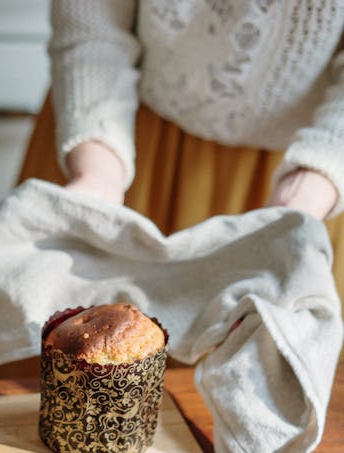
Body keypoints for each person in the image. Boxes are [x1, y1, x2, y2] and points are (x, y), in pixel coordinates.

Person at [17, 1, 344, 304]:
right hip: (111, 133)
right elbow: (91, 22)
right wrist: (96, 175)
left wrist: (302, 197)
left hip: (303, 170)